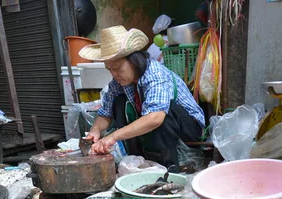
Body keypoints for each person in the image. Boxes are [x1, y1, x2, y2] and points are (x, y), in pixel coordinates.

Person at [79, 26, 205, 171]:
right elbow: (105, 113)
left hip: (188, 130)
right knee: (119, 102)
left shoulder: (155, 74)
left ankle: (171, 167)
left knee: (163, 112)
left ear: (134, 60)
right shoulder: (118, 83)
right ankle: (137, 159)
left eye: (118, 67)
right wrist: (95, 130)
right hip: (162, 129)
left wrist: (113, 136)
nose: (114, 74)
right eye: (110, 69)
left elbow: (155, 118)